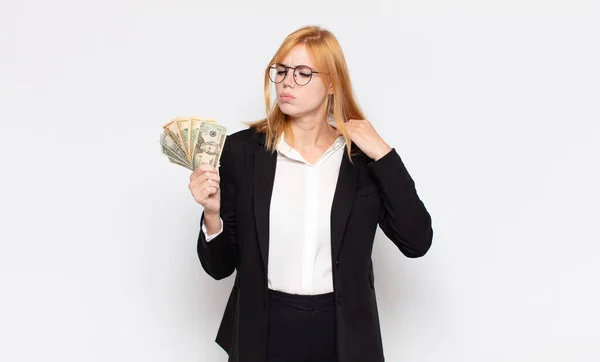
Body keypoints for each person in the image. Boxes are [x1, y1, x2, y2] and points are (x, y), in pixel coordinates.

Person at [188, 25, 433, 362]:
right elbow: (219, 267)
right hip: (264, 330)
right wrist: (211, 215)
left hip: (343, 336)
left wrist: (384, 155)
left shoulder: (361, 161)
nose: (287, 82)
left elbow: (416, 241)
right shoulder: (242, 152)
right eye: (282, 70)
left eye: (303, 73)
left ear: (332, 82)